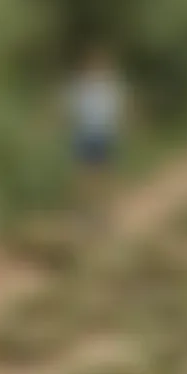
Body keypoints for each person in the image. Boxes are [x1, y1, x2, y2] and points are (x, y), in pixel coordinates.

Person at [64, 45, 128, 233]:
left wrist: (122, 128)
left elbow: (118, 111)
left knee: (104, 176)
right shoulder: (80, 87)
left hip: (104, 134)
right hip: (84, 134)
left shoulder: (111, 87)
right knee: (83, 176)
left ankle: (104, 216)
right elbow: (70, 110)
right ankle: (84, 215)